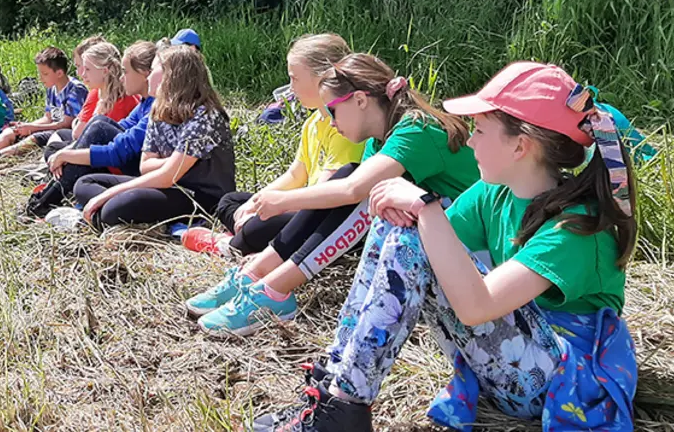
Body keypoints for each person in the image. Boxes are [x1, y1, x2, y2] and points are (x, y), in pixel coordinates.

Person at [251, 62, 638, 432]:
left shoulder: (577, 228)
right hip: (510, 360)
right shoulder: (496, 193)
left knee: (414, 226)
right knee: (400, 226)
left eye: (481, 131)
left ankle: (345, 407)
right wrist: (411, 212)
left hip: (554, 384)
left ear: (521, 146)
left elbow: (476, 307)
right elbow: (422, 248)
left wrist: (424, 206)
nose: (469, 140)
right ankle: (335, 385)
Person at [189, 53, 479, 336]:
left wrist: (282, 201)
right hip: (437, 239)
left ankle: (274, 291)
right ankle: (255, 275)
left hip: (470, 253)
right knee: (351, 174)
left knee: (363, 190)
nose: (329, 121)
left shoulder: (417, 131)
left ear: (361, 100)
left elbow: (353, 191)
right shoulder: (380, 140)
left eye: (332, 111)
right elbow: (348, 186)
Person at [182, 34, 364, 257]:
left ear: (322, 78)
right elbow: (295, 175)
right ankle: (243, 241)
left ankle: (229, 246)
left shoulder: (344, 127)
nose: (290, 87)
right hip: (304, 203)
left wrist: (274, 208)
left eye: (294, 78)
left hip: (324, 213)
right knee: (231, 201)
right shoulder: (313, 122)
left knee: (260, 225)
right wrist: (256, 203)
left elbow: (324, 195)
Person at [73, 45, 235, 230]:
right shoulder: (158, 110)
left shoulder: (205, 116)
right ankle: (109, 215)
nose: (148, 76)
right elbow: (145, 166)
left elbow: (168, 177)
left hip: (198, 195)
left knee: (115, 206)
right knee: (84, 183)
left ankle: (104, 215)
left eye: (154, 69)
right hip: (168, 185)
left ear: (172, 75)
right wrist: (175, 160)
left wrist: (106, 195)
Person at [43, 40, 158, 200]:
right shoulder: (145, 103)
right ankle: (47, 194)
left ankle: (45, 199)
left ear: (145, 74)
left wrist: (66, 155)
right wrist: (66, 153)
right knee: (97, 126)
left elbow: (116, 151)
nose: (122, 77)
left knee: (82, 182)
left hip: (133, 170)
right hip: (121, 160)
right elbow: (118, 128)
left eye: (125, 72)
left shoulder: (154, 108)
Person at [0, 47, 87, 161]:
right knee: (11, 131)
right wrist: (26, 126)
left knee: (33, 138)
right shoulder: (52, 88)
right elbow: (48, 117)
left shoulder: (75, 90)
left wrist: (32, 128)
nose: (40, 78)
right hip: (52, 128)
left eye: (45, 74)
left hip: (64, 134)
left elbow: (66, 123)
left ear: (59, 73)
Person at [43, 41, 142, 162]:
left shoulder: (122, 99)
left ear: (105, 71)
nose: (82, 75)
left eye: (87, 69)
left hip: (106, 156)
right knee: (54, 148)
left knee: (63, 155)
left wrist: (68, 154)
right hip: (97, 148)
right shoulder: (96, 91)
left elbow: (87, 135)